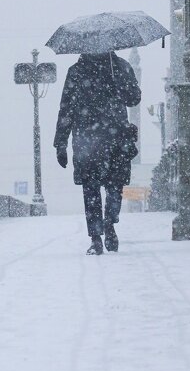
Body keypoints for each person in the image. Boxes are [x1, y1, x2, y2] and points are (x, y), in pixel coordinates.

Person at [54, 51, 141, 255]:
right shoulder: (81, 71)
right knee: (109, 187)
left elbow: (134, 98)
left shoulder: (115, 67)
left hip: (93, 138)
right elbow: (66, 108)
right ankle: (102, 230)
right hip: (106, 138)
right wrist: (60, 143)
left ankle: (102, 231)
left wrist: (61, 143)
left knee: (98, 189)